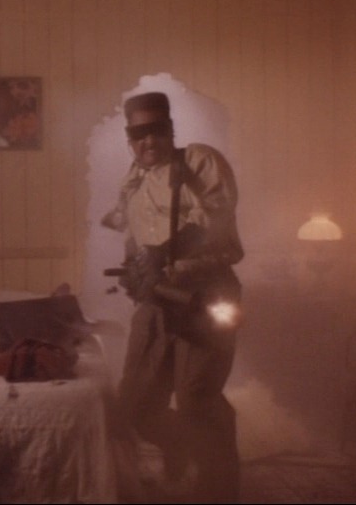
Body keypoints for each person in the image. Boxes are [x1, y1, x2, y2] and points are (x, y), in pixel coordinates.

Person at [102, 92, 244, 503]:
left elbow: (215, 220)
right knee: (135, 404)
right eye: (139, 134)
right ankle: (188, 450)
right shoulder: (134, 181)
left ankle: (217, 491)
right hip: (158, 300)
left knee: (197, 400)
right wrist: (135, 274)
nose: (149, 141)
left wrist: (164, 252)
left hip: (206, 293)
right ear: (129, 139)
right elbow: (136, 242)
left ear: (171, 129)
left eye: (157, 130)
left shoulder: (199, 161)